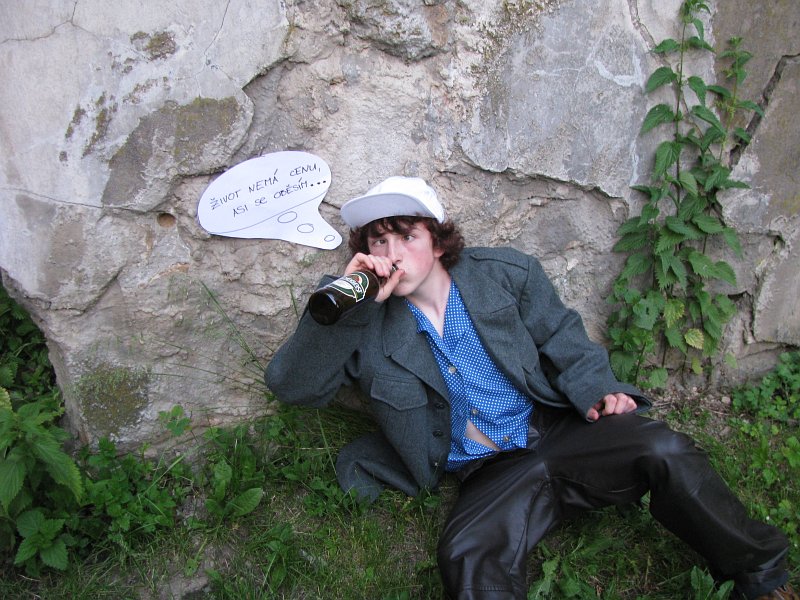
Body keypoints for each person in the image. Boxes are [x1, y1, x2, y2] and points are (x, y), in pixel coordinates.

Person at [265, 176, 795, 600]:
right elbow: (293, 387)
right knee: (467, 555)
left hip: (555, 428)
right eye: (379, 240)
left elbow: (561, 336)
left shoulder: (504, 274)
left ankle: (763, 572)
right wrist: (346, 312)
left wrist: (598, 389)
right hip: (487, 469)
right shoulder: (361, 318)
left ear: (438, 241)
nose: (393, 252)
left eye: (407, 236)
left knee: (664, 448)